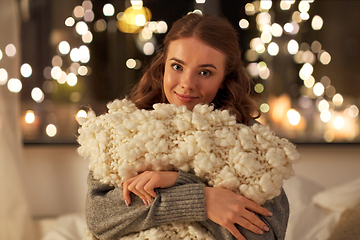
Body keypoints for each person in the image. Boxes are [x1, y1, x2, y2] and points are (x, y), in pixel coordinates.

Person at [85, 13, 289, 240]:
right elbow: (100, 218)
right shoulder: (124, 130)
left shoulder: (251, 144)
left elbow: (266, 236)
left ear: (225, 78)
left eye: (205, 72)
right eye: (177, 67)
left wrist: (174, 180)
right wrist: (202, 199)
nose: (187, 84)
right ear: (163, 66)